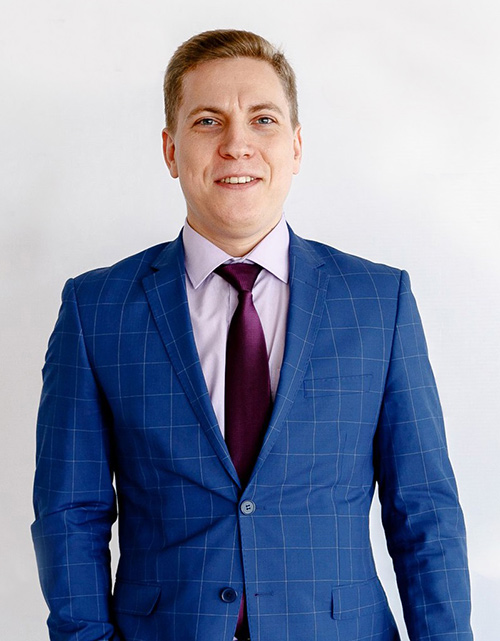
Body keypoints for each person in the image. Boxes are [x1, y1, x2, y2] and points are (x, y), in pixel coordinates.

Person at [32, 29, 473, 641]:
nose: (237, 143)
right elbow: (69, 513)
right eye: (208, 121)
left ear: (295, 146)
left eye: (262, 120)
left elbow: (424, 509)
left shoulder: (379, 301)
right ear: (171, 150)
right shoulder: (96, 308)